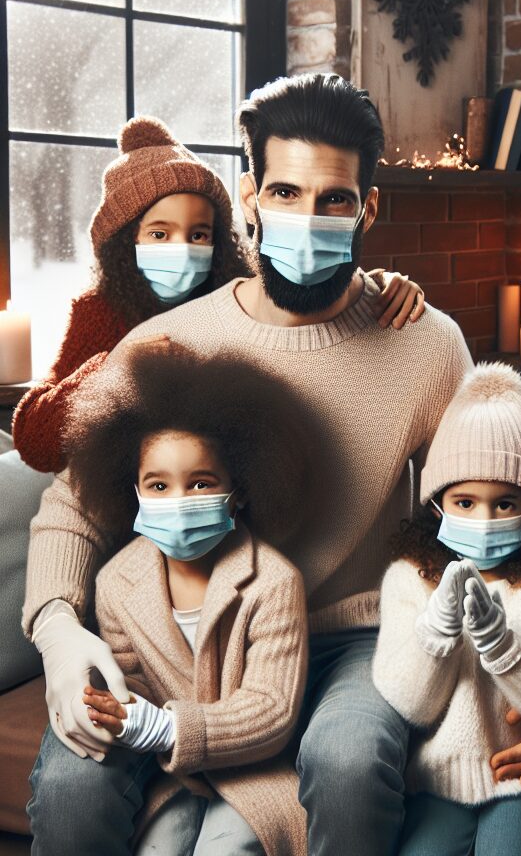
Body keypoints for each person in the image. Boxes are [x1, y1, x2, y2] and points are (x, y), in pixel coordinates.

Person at [23, 73, 521, 856]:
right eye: (284, 193)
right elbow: (71, 509)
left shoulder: (426, 342)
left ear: (367, 209)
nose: (306, 220)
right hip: (186, 639)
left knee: (348, 760)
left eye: (333, 201)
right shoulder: (173, 340)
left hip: (353, 639)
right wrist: (59, 633)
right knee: (73, 786)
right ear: (249, 198)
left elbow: (495, 515)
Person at [13, 115, 425, 475]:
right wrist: (117, 368)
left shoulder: (234, 297)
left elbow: (303, 292)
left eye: (199, 234)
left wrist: (376, 286)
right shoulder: (101, 312)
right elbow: (35, 440)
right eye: (159, 233)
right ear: (125, 241)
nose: (183, 248)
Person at [42, 346, 326, 855]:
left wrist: (167, 726)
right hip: (167, 775)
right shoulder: (116, 584)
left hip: (251, 774)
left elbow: (272, 711)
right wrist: (108, 708)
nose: (179, 502)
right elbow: (127, 686)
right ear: (133, 491)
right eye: (159, 485)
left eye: (200, 483)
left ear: (237, 490)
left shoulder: (274, 582)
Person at [373, 363, 521, 856]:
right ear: (437, 504)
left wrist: (504, 644)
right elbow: (410, 705)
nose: (483, 518)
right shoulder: (409, 579)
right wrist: (436, 632)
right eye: (465, 501)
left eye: (504, 503)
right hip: (434, 783)